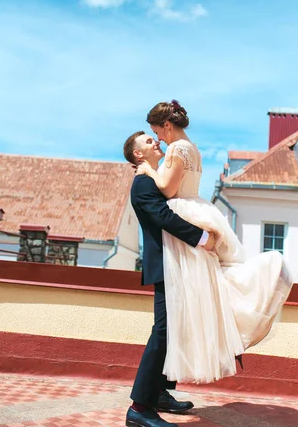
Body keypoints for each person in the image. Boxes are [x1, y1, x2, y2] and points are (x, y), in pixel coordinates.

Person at [136, 100, 293, 385]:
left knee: (180, 312)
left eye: (157, 131)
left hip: (184, 215)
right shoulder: (192, 148)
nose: (158, 137)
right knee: (190, 305)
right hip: (200, 209)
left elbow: (168, 189)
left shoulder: (175, 149)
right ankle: (161, 390)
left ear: (167, 125)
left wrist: (148, 170)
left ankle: (151, 397)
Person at [123, 131, 216, 427]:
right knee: (162, 331)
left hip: (176, 263)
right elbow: (163, 216)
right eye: (148, 142)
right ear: (138, 155)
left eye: (155, 138)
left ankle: (160, 393)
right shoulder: (143, 183)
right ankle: (139, 407)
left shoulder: (157, 178)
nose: (156, 142)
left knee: (173, 330)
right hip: (165, 265)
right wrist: (201, 237)